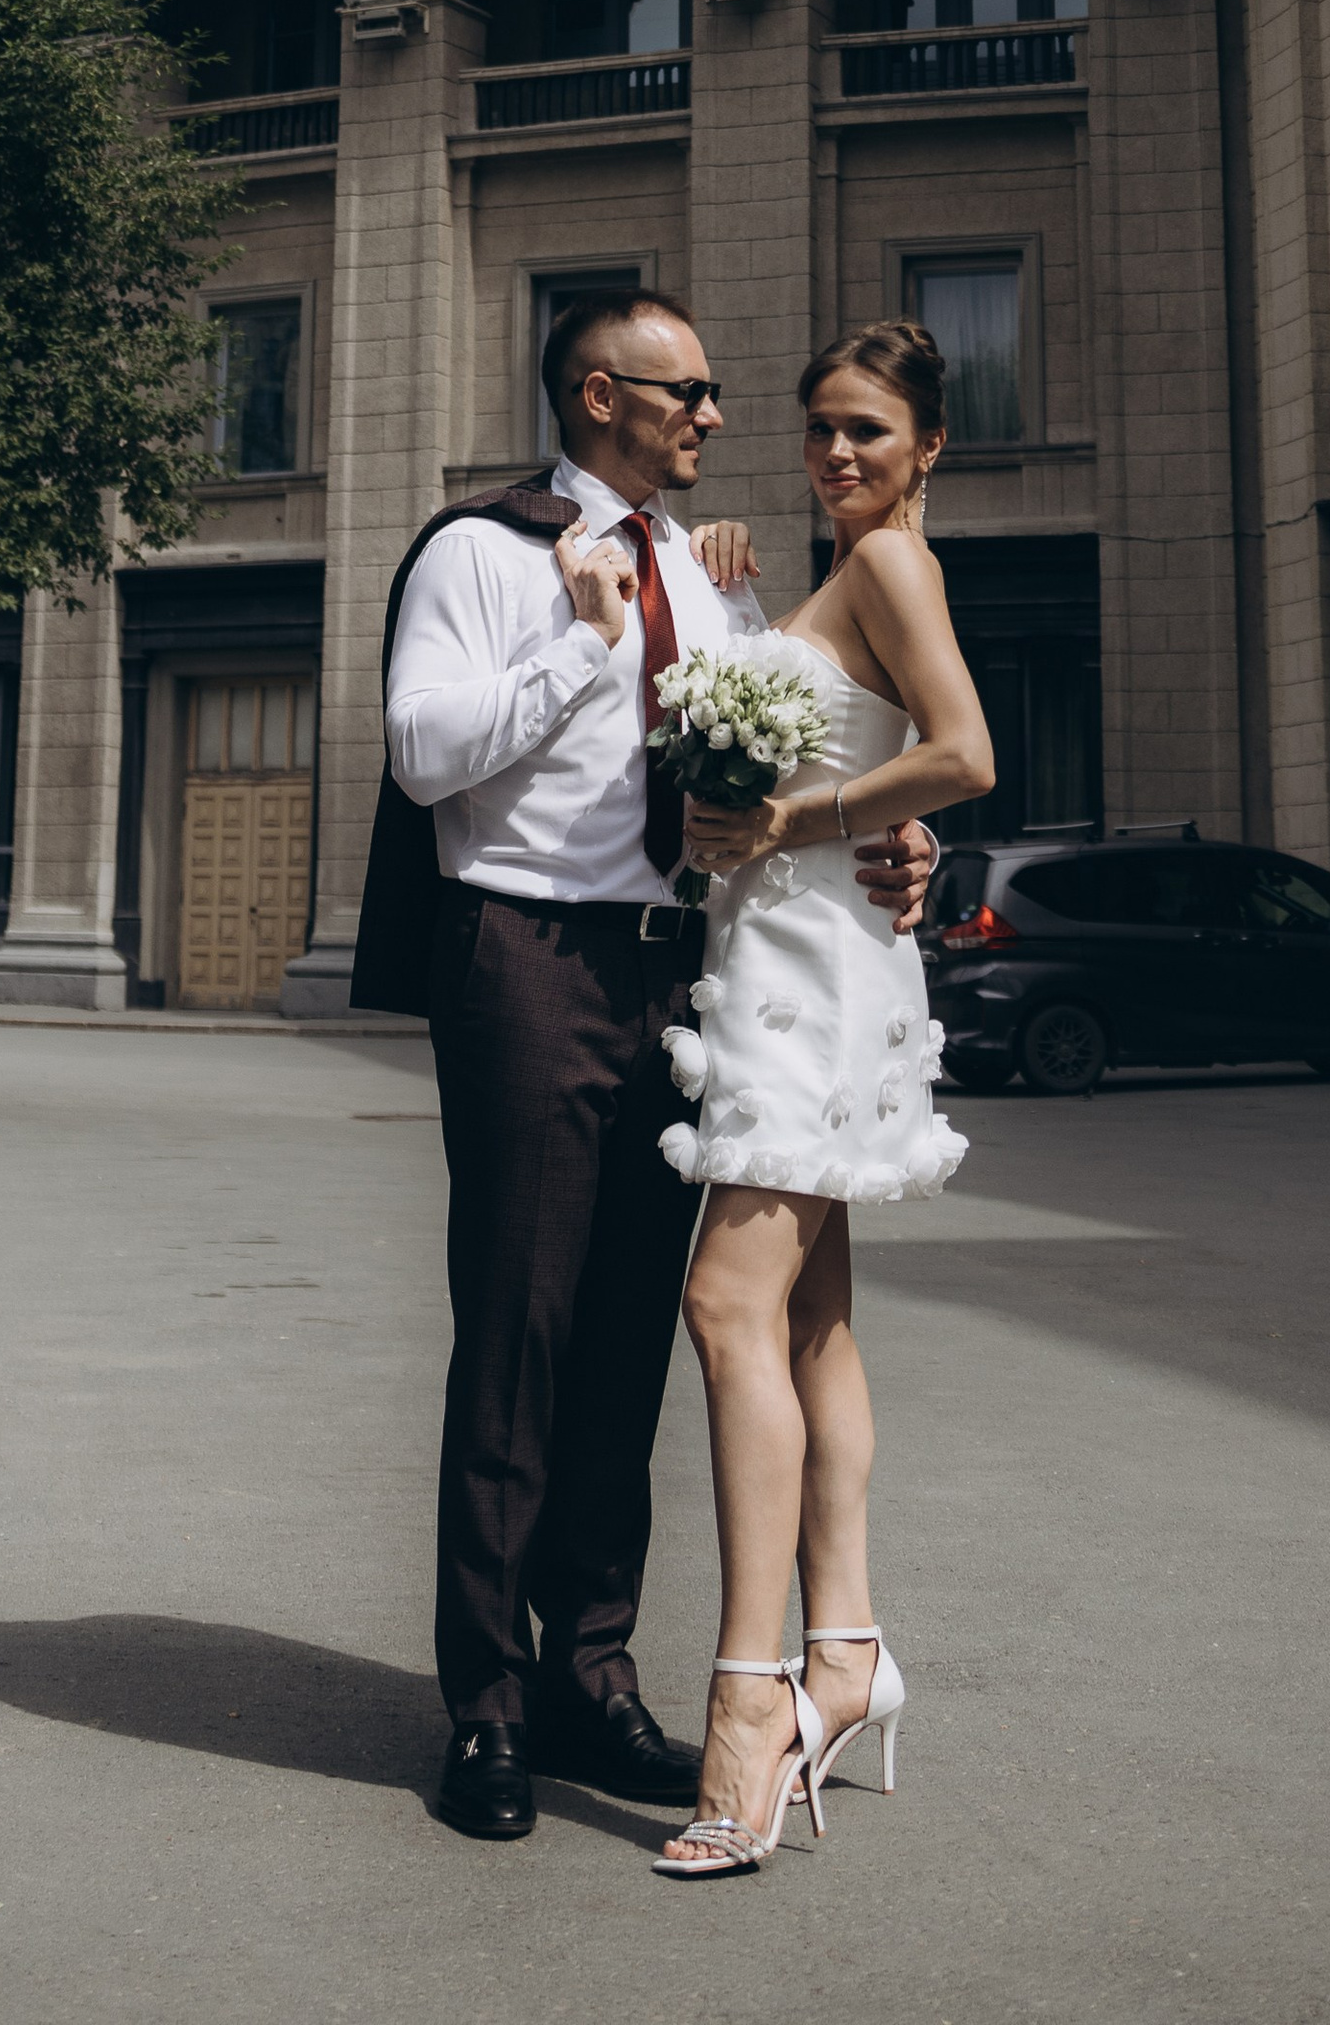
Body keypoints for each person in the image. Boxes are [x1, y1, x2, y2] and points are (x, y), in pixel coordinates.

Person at [373, 288, 939, 1844]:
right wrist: (581, 642)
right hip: (528, 961)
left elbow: (784, 761)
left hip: (678, 974)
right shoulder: (480, 554)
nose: (714, 418)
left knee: (629, 1336)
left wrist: (902, 836)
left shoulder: (713, 574)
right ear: (600, 394)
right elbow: (424, 755)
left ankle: (588, 1676)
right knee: (518, 1335)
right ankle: (487, 1709)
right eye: (690, 392)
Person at [650, 319, 997, 1880]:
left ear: (930, 447)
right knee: (807, 1324)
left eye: (869, 431)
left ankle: (748, 1708)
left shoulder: (895, 567)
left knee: (726, 1310)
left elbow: (964, 755)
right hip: (798, 962)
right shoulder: (839, 574)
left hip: (813, 982)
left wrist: (797, 816)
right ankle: (845, 1653)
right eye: (819, 432)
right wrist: (725, 595)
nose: (839, 454)